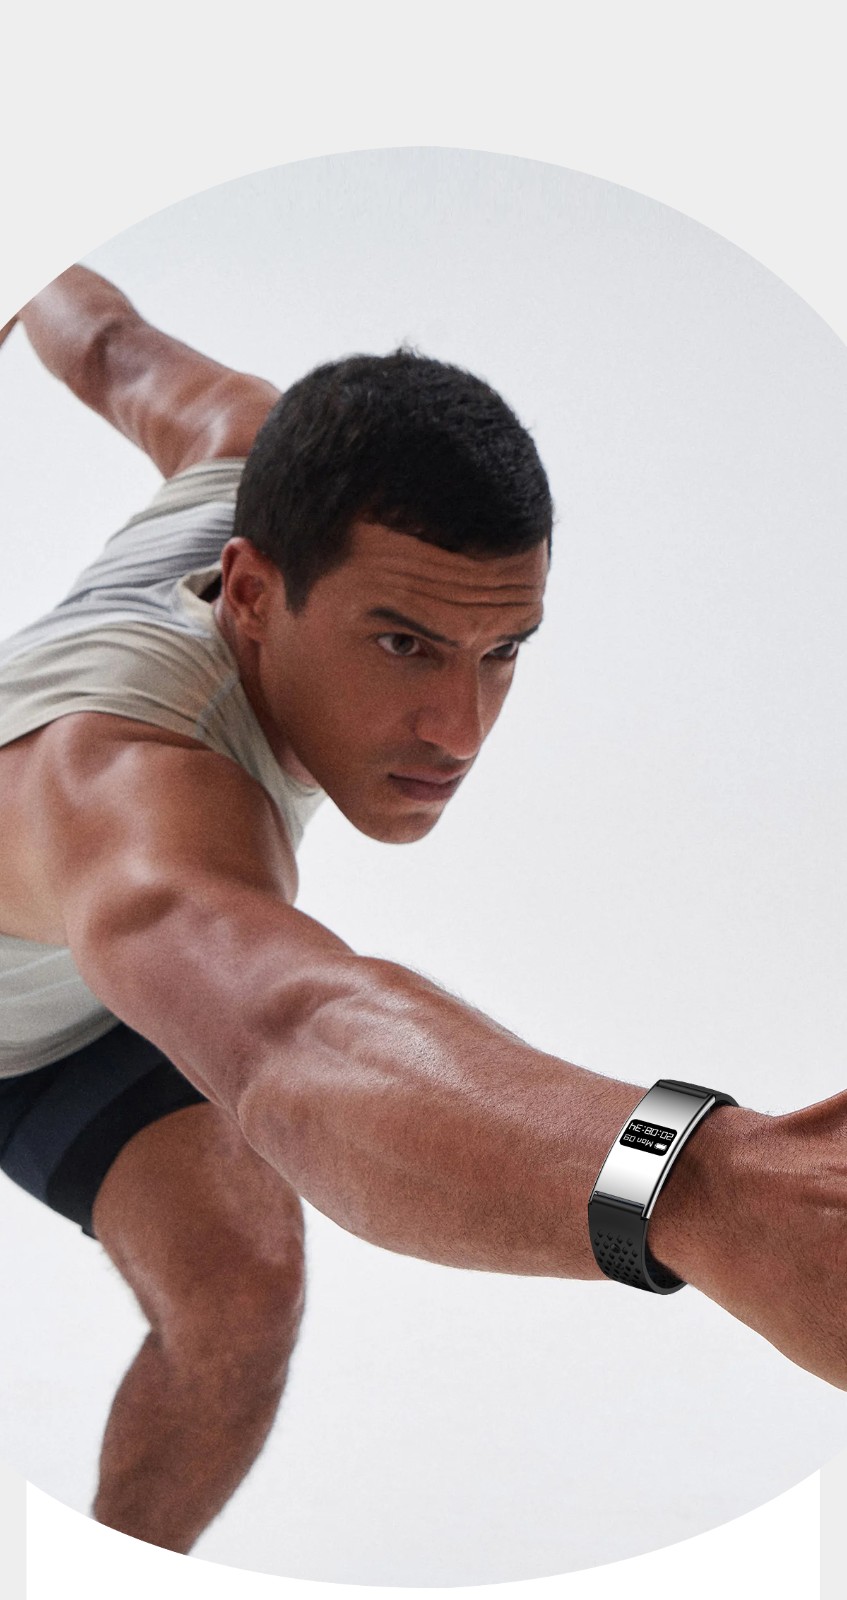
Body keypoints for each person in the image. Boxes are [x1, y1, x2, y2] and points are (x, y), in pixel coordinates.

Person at [0, 268, 846, 1556]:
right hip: (94, 939)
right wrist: (699, 1183)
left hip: (68, 987)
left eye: (500, 652)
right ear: (248, 591)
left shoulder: (251, 445)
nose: (459, 729)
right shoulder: (124, 786)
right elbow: (297, 1037)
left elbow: (105, 340)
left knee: (239, 1293)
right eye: (402, 643)